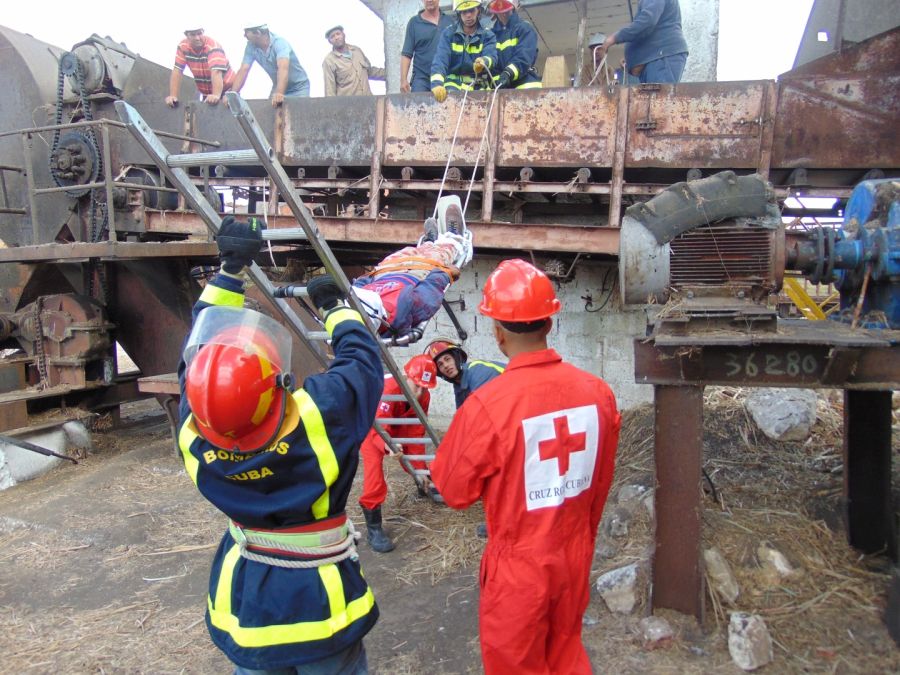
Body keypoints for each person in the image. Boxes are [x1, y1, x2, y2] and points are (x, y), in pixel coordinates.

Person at [177, 216, 382, 672]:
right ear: (277, 387)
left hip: (247, 606)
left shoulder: (193, 429)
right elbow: (364, 362)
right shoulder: (318, 418)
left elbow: (195, 352)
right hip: (322, 609)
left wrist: (230, 271)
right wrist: (334, 307)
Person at [431, 259, 621, 674]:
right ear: (550, 324)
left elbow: (453, 491)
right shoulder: (599, 395)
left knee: (516, 663)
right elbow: (600, 480)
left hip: (519, 567)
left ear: (497, 332)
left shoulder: (487, 405)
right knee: (567, 651)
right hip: (575, 551)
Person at [351, 195, 473, 341]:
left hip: (385, 271)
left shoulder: (356, 306)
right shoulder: (404, 309)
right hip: (415, 273)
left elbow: (358, 285)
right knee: (443, 252)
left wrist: (369, 278)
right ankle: (453, 237)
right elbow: (430, 290)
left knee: (409, 252)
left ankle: (429, 242)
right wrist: (446, 273)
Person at [358, 355, 437, 553]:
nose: (419, 393)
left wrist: (419, 469)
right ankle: (373, 527)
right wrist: (389, 446)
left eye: (424, 387)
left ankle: (423, 483)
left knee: (413, 454)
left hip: (399, 420)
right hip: (373, 424)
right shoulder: (387, 389)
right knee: (374, 472)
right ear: (406, 376)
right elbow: (379, 426)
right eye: (416, 385)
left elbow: (416, 431)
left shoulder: (424, 396)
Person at [594, 0, 689, 84]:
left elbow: (647, 21)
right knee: (652, 101)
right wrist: (633, 58)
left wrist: (613, 39)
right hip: (657, 59)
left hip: (662, 58)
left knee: (657, 101)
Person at [430, 0, 498, 102]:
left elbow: (492, 57)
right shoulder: (448, 34)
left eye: (471, 10)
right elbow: (440, 60)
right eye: (464, 11)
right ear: (459, 13)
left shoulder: (488, 35)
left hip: (478, 86)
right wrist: (437, 84)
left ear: (479, 10)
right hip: (453, 85)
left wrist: (484, 61)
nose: (468, 15)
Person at [233, 22, 311, 105]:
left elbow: (283, 68)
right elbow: (243, 70)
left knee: (298, 113)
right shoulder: (251, 47)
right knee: (269, 113)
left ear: (258, 33)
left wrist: (279, 93)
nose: (244, 35)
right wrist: (233, 94)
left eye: (246, 32)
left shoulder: (279, 43)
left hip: (299, 87)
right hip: (277, 85)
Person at [424, 338, 505, 409]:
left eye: (447, 359)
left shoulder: (478, 371)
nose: (445, 365)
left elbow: (481, 413)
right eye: (440, 364)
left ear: (457, 358)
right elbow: (461, 415)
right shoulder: (459, 385)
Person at [165, 27, 235, 107]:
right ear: (186, 35)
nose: (197, 38)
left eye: (199, 33)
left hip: (228, 90)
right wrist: (173, 96)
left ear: (203, 32)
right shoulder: (183, 46)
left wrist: (216, 95)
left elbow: (216, 71)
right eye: (193, 35)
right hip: (208, 94)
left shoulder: (213, 47)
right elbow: (177, 70)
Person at [400, 0, 455, 93]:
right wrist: (403, 80)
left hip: (446, 77)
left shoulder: (450, 21)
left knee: (451, 105)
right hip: (422, 80)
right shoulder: (414, 23)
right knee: (418, 106)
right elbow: (406, 54)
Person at [486, 0, 542, 90]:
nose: (503, 13)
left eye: (506, 9)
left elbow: (524, 56)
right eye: (499, 8)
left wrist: (508, 73)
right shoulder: (491, 35)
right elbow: (490, 62)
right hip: (499, 89)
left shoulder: (524, 29)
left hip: (525, 88)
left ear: (514, 7)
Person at [322, 25, 386, 96]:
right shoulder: (329, 61)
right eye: (332, 36)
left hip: (368, 101)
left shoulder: (357, 51)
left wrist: (392, 74)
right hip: (348, 105)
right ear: (329, 41)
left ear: (343, 34)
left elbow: (369, 71)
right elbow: (329, 90)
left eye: (338, 34)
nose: (336, 37)